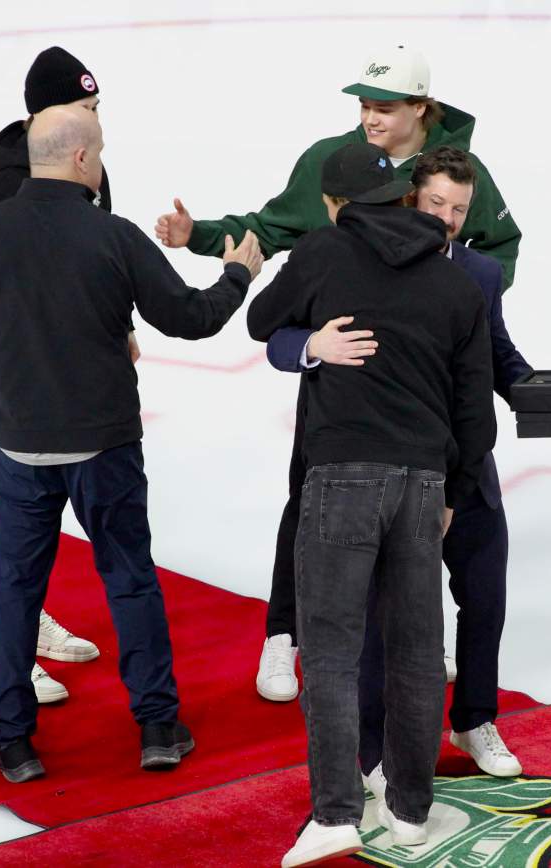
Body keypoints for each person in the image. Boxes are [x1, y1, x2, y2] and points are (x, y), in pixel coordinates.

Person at [154, 47, 518, 702]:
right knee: (311, 501)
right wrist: (201, 235)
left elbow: (497, 252)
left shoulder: (463, 173)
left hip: (423, 375)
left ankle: (416, 640)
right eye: (363, 105)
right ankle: (282, 636)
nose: (369, 117)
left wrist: (455, 297)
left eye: (383, 107)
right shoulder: (337, 161)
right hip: (342, 378)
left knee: (423, 506)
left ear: (420, 108)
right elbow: (271, 230)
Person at [0, 104, 263, 782]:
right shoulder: (111, 235)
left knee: (16, 586)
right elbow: (191, 319)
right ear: (84, 159)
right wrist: (237, 273)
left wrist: (7, 372)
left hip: (18, 444)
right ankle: (158, 727)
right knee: (129, 578)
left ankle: (11, 738)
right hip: (104, 446)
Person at [247, 142, 495, 866]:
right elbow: (475, 416)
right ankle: (412, 813)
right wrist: (451, 490)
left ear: (335, 205)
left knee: (329, 651)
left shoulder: (323, 252)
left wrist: (311, 340)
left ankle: (335, 814)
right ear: (404, 201)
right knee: (419, 653)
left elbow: (263, 320)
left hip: (339, 478)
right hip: (423, 484)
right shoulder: (457, 286)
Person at [0, 46, 119, 704]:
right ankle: (3, 657)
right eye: (83, 108)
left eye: (95, 107)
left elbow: (99, 260)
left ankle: (32, 624)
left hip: (82, 382)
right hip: (23, 382)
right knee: (22, 523)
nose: (94, 119)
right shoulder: (2, 191)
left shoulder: (90, 168)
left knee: (48, 514)